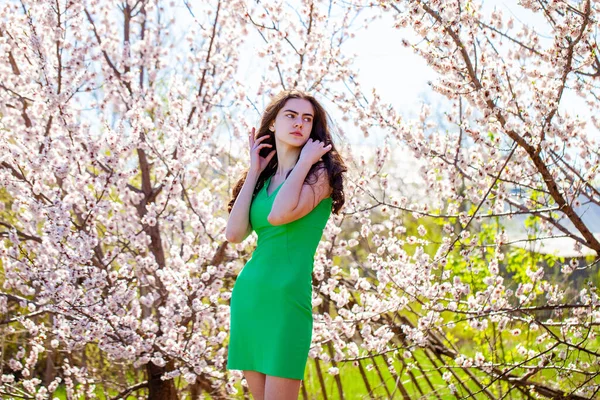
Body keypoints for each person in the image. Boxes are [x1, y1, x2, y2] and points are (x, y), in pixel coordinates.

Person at [225, 89, 347, 400]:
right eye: (290, 115)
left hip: (288, 298)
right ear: (272, 125)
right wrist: (254, 170)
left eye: (307, 119)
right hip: (250, 295)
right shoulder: (263, 180)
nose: (299, 123)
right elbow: (234, 233)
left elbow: (280, 214)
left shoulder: (320, 174)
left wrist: (305, 161)